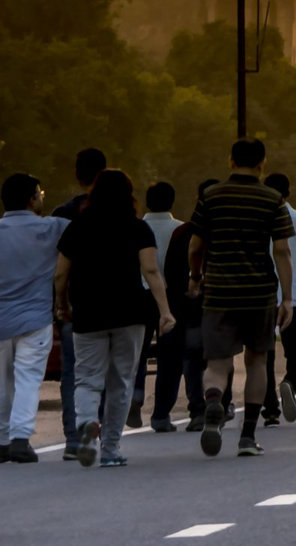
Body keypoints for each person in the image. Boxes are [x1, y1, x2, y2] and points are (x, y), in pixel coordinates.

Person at [54, 169, 173, 468]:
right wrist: (165, 310)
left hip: (88, 313)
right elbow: (151, 271)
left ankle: (86, 424)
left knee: (87, 378)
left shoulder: (77, 228)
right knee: (121, 381)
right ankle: (110, 448)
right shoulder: (138, 228)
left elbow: (60, 274)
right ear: (129, 195)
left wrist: (62, 305)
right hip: (130, 313)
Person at [188, 140, 293, 458]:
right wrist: (287, 298)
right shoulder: (272, 199)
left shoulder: (211, 196)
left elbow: (195, 246)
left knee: (217, 363)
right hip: (259, 293)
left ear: (230, 161)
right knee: (257, 360)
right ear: (262, 163)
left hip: (219, 292)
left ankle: (213, 401)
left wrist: (196, 276)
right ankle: (247, 436)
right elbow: (282, 251)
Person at [0, 172, 69, 463]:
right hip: (36, 318)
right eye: (40, 194)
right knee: (28, 379)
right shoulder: (54, 228)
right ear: (32, 199)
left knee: (2, 381)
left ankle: (2, 440)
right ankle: (20, 438)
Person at [51, 146, 106, 460]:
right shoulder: (121, 211)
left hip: (75, 305)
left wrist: (59, 304)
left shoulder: (63, 214)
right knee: (111, 373)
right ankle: (106, 434)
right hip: (114, 305)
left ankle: (74, 437)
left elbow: (57, 268)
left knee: (73, 373)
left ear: (77, 174)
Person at [260, 173, 296, 426]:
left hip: (263, 296)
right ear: (288, 193)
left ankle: (270, 409)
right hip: (292, 297)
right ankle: (290, 382)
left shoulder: (257, 218)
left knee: (264, 354)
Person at [158, 180, 217, 432]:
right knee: (220, 357)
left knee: (192, 358)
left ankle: (198, 410)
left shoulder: (182, 232)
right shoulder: (226, 230)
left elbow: (170, 272)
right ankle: (220, 403)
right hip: (219, 305)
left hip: (189, 305)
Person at [127, 181, 181, 432]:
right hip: (170, 298)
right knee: (170, 357)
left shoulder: (135, 228)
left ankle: (135, 392)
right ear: (172, 201)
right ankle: (160, 414)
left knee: (136, 350)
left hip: (137, 295)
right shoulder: (180, 229)